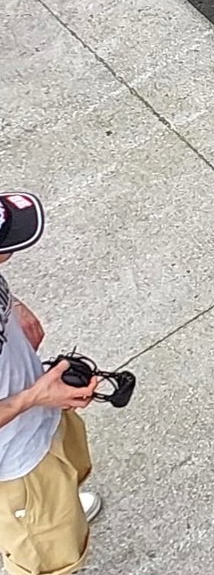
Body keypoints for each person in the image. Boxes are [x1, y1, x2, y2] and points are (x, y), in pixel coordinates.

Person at [0, 191, 102, 575]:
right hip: (16, 467)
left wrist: (13, 305)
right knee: (44, 563)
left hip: (38, 420)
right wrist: (35, 396)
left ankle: (65, 512)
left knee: (67, 484)